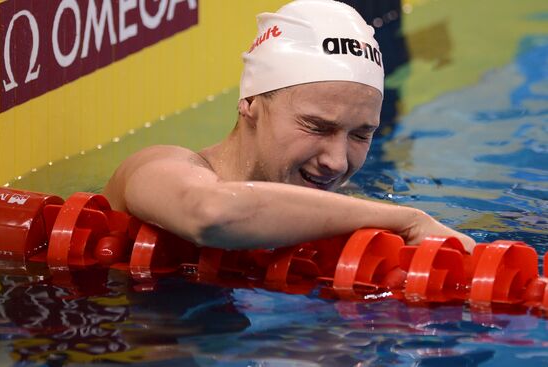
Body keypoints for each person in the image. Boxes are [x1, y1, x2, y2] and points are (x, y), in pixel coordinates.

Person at [103, 0, 475, 252]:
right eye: (317, 127)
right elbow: (211, 214)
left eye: (361, 134)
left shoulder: (338, 215)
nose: (338, 161)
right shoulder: (158, 167)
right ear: (249, 103)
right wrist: (409, 222)